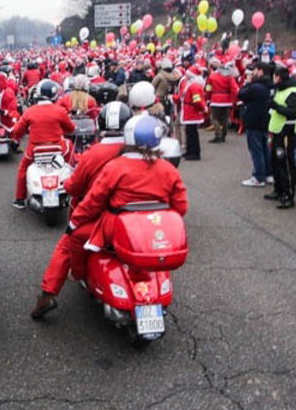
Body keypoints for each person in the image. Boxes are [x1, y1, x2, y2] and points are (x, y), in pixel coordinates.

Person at [31, 114, 187, 319]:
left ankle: (62, 284)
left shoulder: (115, 166)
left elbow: (94, 199)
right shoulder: (168, 169)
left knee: (71, 240)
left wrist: (74, 222)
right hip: (152, 229)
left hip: (115, 225)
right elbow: (181, 206)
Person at [34, 101, 131, 310]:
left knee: (66, 244)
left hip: (99, 217)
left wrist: (67, 184)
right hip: (136, 219)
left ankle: (48, 294)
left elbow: (75, 187)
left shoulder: (93, 154)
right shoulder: (142, 152)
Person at [11, 79, 74, 209]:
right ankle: (73, 184)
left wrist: (17, 137)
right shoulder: (59, 110)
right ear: (54, 95)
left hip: (35, 150)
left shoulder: (30, 111)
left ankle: (20, 199)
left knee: (23, 169)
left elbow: (17, 131)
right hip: (58, 149)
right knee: (69, 158)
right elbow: (70, 128)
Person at [266, 63, 296, 209]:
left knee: (285, 164)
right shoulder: (280, 89)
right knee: (275, 162)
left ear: (278, 77)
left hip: (287, 132)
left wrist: (275, 106)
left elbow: (293, 112)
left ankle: (288, 194)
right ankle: (278, 189)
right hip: (276, 131)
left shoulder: (294, 92)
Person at [237, 61, 272, 187]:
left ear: (261, 71)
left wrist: (248, 82)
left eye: (255, 70)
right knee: (265, 149)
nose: (253, 73)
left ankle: (258, 176)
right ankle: (268, 174)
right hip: (265, 120)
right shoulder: (269, 85)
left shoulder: (256, 86)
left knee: (256, 150)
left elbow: (240, 94)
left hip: (254, 120)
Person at [178, 65, 207, 160]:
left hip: (192, 112)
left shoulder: (194, 86)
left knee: (192, 134)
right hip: (189, 110)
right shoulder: (191, 84)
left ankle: (194, 153)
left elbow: (197, 100)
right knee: (189, 132)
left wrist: (202, 108)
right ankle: (190, 151)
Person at [206, 57, 234, 143]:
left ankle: (217, 135)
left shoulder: (212, 76)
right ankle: (223, 135)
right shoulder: (229, 76)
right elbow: (233, 88)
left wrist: (207, 97)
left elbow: (208, 88)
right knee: (225, 118)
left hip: (215, 99)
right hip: (227, 100)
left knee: (215, 118)